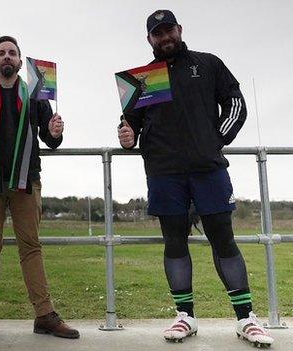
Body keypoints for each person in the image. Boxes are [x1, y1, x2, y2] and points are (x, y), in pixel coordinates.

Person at [118, 10, 274, 347]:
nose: (165, 37)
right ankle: (185, 316)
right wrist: (126, 137)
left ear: (180, 30)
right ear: (150, 40)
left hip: (208, 170)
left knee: (223, 240)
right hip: (163, 173)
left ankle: (246, 318)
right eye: (157, 33)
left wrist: (215, 140)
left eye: (169, 30)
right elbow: (129, 125)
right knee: (174, 243)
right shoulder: (142, 78)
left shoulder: (208, 63)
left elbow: (235, 105)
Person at [0, 35, 79, 341]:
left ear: (20, 62)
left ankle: (44, 316)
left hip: (26, 183)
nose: (6, 57)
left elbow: (51, 141)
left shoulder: (37, 98)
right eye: (1, 53)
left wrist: (56, 131)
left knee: (31, 248)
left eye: (12, 53)